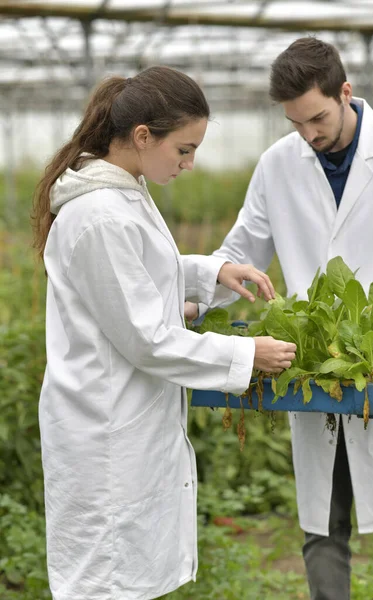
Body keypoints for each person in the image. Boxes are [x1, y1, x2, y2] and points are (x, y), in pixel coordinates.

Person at [31, 65, 297, 600]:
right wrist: (246, 355)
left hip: (128, 421)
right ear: (142, 136)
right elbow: (146, 336)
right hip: (105, 429)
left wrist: (210, 272)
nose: (189, 163)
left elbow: (141, 275)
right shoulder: (100, 212)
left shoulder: (123, 190)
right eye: (183, 149)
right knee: (104, 581)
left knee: (126, 576)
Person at [196, 37, 373, 600]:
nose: (308, 135)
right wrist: (194, 295)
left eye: (317, 118)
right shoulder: (278, 165)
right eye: (295, 123)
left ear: (346, 93)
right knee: (322, 529)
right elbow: (241, 254)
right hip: (315, 364)